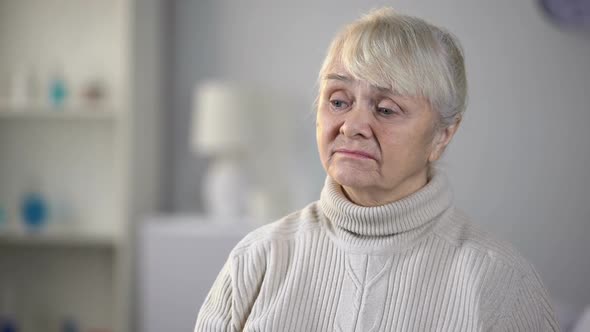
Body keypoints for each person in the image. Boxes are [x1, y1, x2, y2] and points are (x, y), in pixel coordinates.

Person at [195, 8, 560, 332]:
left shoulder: (500, 281)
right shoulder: (257, 259)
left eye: (386, 109)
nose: (352, 125)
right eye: (338, 101)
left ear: (443, 134)